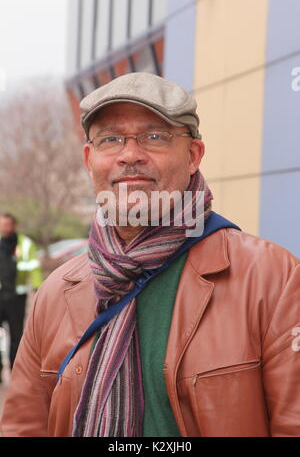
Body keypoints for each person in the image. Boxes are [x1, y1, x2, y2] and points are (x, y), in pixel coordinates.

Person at [1, 73, 300, 437]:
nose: (129, 155)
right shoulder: (55, 294)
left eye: (154, 136)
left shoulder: (272, 277)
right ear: (89, 159)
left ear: (193, 155)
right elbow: (24, 427)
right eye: (111, 139)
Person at [0, 213, 42, 383]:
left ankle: (15, 372)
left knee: (16, 335)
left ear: (14, 225)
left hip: (17, 296)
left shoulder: (25, 244)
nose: (4, 228)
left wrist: (38, 287)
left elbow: (34, 267)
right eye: (2, 224)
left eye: (7, 224)